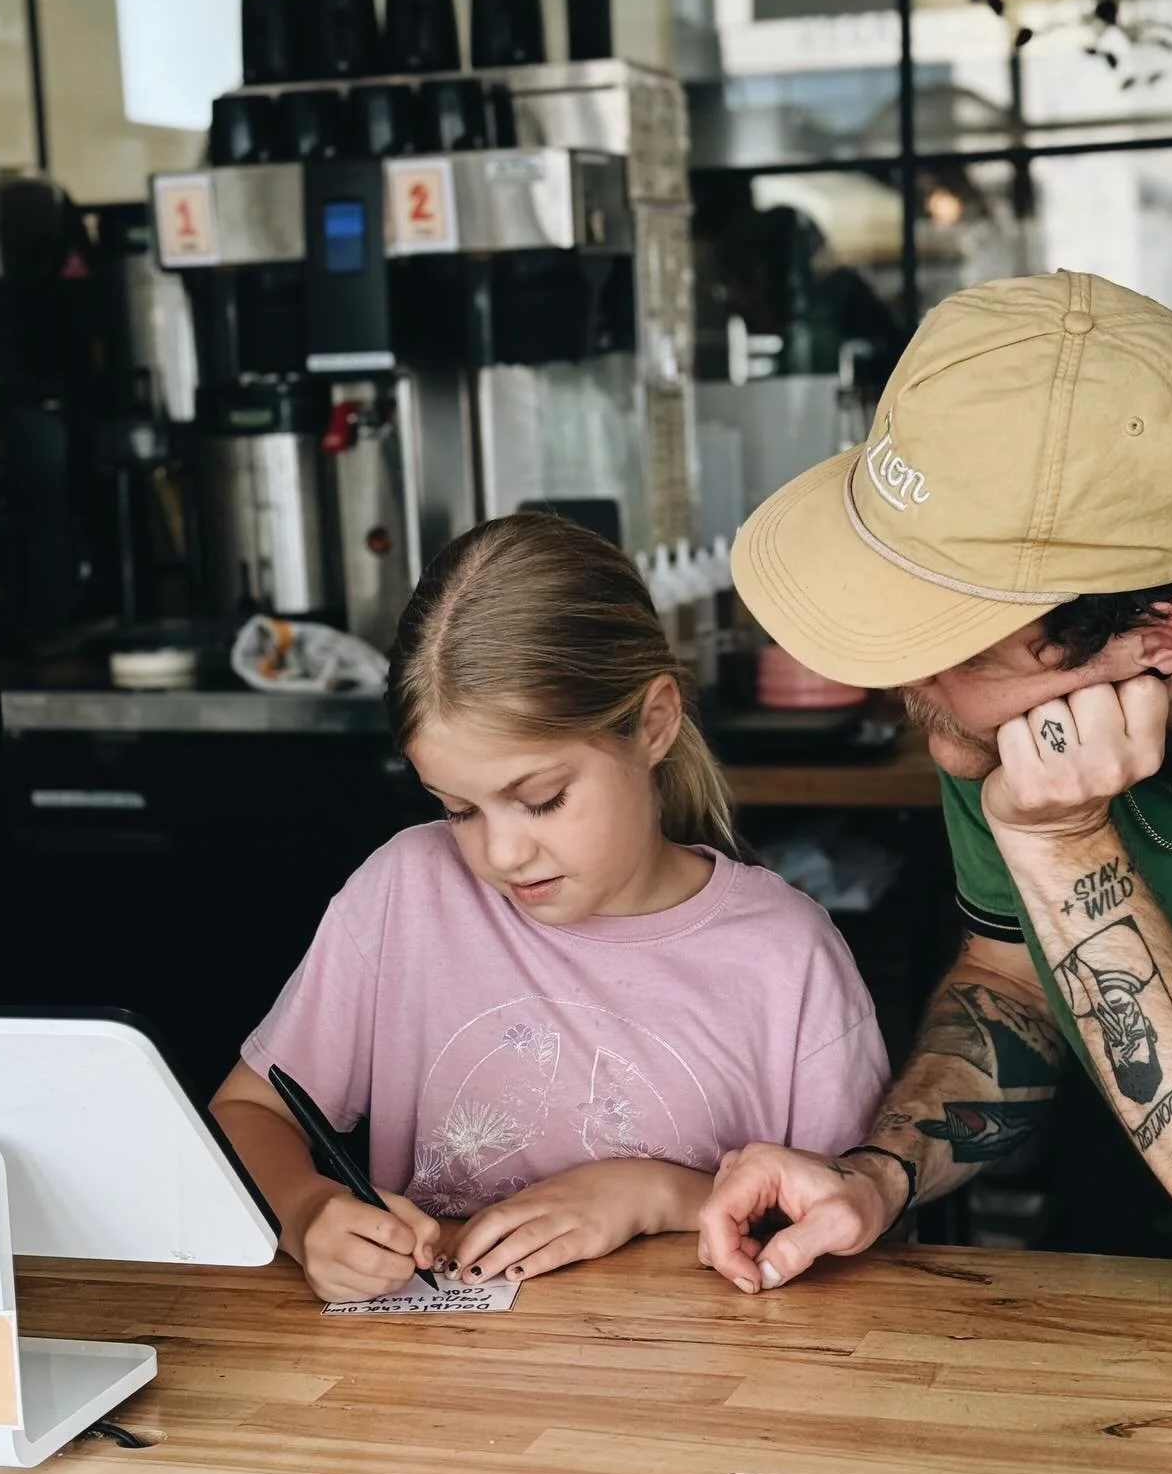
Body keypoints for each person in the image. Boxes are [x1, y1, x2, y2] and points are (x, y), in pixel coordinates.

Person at [699, 269, 1172, 1317]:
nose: (902, 681)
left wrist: (1065, 845)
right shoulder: (1013, 692)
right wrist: (878, 1172)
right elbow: (1017, 983)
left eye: (941, 643)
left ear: (1156, 637)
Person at [212, 512, 889, 1303]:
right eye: (459, 809)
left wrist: (654, 1195)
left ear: (654, 724)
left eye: (540, 799)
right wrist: (307, 1211)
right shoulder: (405, 893)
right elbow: (248, 1109)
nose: (500, 855)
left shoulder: (785, 960)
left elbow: (850, 1244)